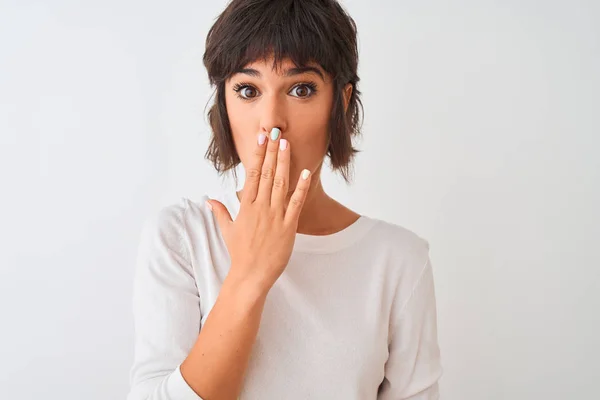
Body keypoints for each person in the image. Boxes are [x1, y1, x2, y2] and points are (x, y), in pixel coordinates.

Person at [126, 0, 443, 399]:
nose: (271, 120)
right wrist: (250, 275)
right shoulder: (181, 237)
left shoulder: (399, 259)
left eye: (301, 89)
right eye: (247, 90)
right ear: (224, 103)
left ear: (340, 103)